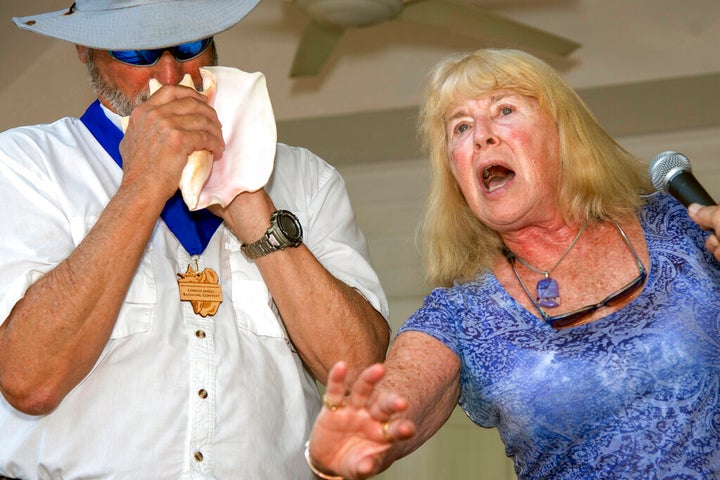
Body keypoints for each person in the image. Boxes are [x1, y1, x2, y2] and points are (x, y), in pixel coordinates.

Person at [0, 1, 390, 479]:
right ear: (86, 48)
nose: (168, 75)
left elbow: (359, 383)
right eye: (138, 54)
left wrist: (251, 205)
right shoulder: (24, 165)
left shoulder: (307, 178)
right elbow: (29, 380)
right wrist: (142, 186)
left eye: (189, 47)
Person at [304, 48, 720, 480]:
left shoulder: (681, 226)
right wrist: (351, 441)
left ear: (563, 136)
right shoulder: (461, 315)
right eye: (461, 127)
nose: (481, 135)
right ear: (456, 175)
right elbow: (394, 402)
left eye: (504, 110)